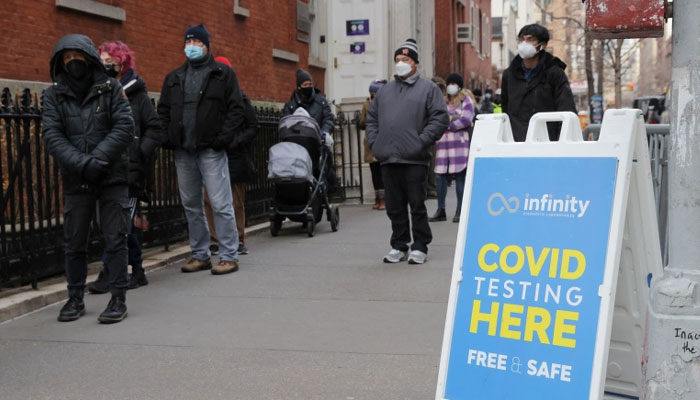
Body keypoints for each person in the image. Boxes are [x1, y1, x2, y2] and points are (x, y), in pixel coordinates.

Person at [42, 34, 134, 323]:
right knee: (74, 241)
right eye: (66, 58)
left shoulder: (110, 88)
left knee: (115, 238)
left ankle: (118, 297)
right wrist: (83, 164)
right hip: (77, 178)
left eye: (77, 57)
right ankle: (74, 297)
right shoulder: (53, 95)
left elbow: (123, 126)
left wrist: (98, 160)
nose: (73, 63)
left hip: (111, 175)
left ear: (88, 58)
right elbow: (52, 136)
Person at [158, 23, 245, 275]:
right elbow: (163, 111)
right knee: (191, 204)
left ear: (207, 46)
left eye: (197, 42)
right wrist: (167, 137)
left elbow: (236, 109)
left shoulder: (222, 74)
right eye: (188, 42)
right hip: (183, 150)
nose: (192, 47)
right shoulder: (174, 78)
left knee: (220, 203)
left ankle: (229, 255)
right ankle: (200, 254)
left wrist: (222, 139)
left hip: (211, 149)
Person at [87, 40, 168, 294]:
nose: (104, 65)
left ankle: (108, 271)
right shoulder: (99, 92)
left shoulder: (138, 95)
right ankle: (139, 271)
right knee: (120, 223)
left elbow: (155, 128)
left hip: (130, 172)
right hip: (107, 168)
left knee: (121, 222)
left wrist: (140, 152)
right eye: (101, 60)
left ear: (122, 63)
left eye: (109, 61)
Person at [366, 38, 449, 265]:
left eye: (405, 59)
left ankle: (420, 245)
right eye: (397, 60)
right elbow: (371, 118)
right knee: (394, 206)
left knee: (416, 205)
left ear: (415, 63)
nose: (400, 63)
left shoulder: (429, 89)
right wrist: (376, 142)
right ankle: (399, 244)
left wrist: (422, 141)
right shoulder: (385, 91)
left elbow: (440, 118)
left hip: (415, 159)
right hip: (388, 157)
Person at [204, 56, 258, 256]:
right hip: (214, 153)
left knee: (235, 201)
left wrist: (235, 141)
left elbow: (253, 127)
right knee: (209, 199)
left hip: (235, 156)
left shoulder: (241, 100)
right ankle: (214, 239)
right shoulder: (208, 100)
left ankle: (239, 238)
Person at [501, 23, 577, 142]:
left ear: (543, 44)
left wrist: (562, 141)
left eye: (531, 39)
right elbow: (505, 108)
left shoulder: (554, 73)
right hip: (517, 141)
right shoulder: (509, 75)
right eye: (521, 39)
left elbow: (566, 107)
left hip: (547, 141)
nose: (524, 44)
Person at [282, 69, 338, 193]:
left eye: (310, 84)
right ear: (298, 87)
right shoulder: (291, 105)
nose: (308, 87)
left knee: (322, 167)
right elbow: (287, 122)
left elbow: (328, 118)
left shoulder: (321, 101)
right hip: (298, 146)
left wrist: (324, 132)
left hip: (317, 144)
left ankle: (324, 190)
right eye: (305, 85)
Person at [430, 73, 474, 224]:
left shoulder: (465, 101)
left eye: (454, 84)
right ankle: (440, 210)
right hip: (443, 144)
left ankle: (460, 210)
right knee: (440, 176)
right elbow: (436, 118)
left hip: (460, 144)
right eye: (450, 83)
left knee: (460, 176)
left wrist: (449, 123)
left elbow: (466, 119)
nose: (451, 86)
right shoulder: (442, 102)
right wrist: (451, 120)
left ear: (460, 86)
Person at [359, 79, 387, 210]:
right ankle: (378, 198)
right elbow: (362, 122)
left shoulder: (386, 104)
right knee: (374, 173)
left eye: (375, 92)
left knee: (383, 173)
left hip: (383, 141)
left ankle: (384, 199)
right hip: (370, 142)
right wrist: (366, 122)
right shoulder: (366, 104)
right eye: (372, 93)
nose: (373, 95)